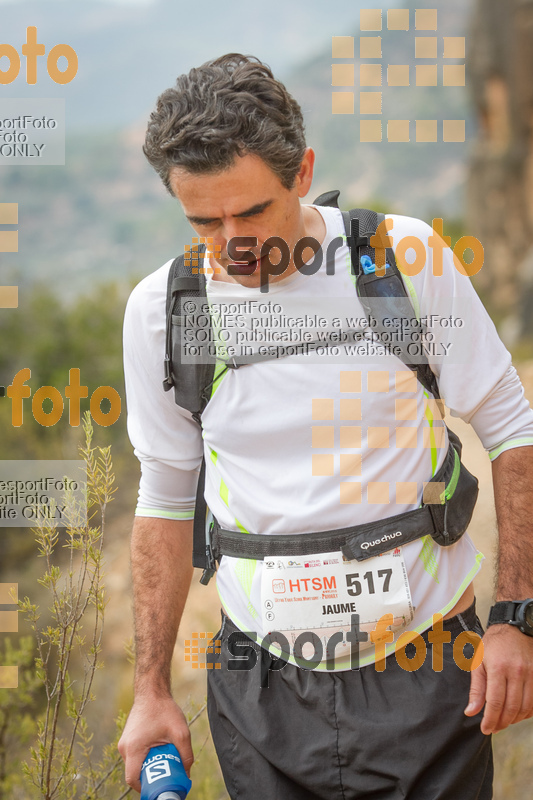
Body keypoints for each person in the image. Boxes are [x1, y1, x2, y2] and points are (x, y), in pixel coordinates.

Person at [118, 54, 533, 799]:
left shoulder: (399, 261)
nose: (231, 242)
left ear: (302, 171)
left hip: (428, 672)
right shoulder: (164, 309)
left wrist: (515, 617)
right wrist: (150, 688)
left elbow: (510, 426)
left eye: (251, 212)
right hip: (257, 689)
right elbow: (165, 495)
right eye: (204, 221)